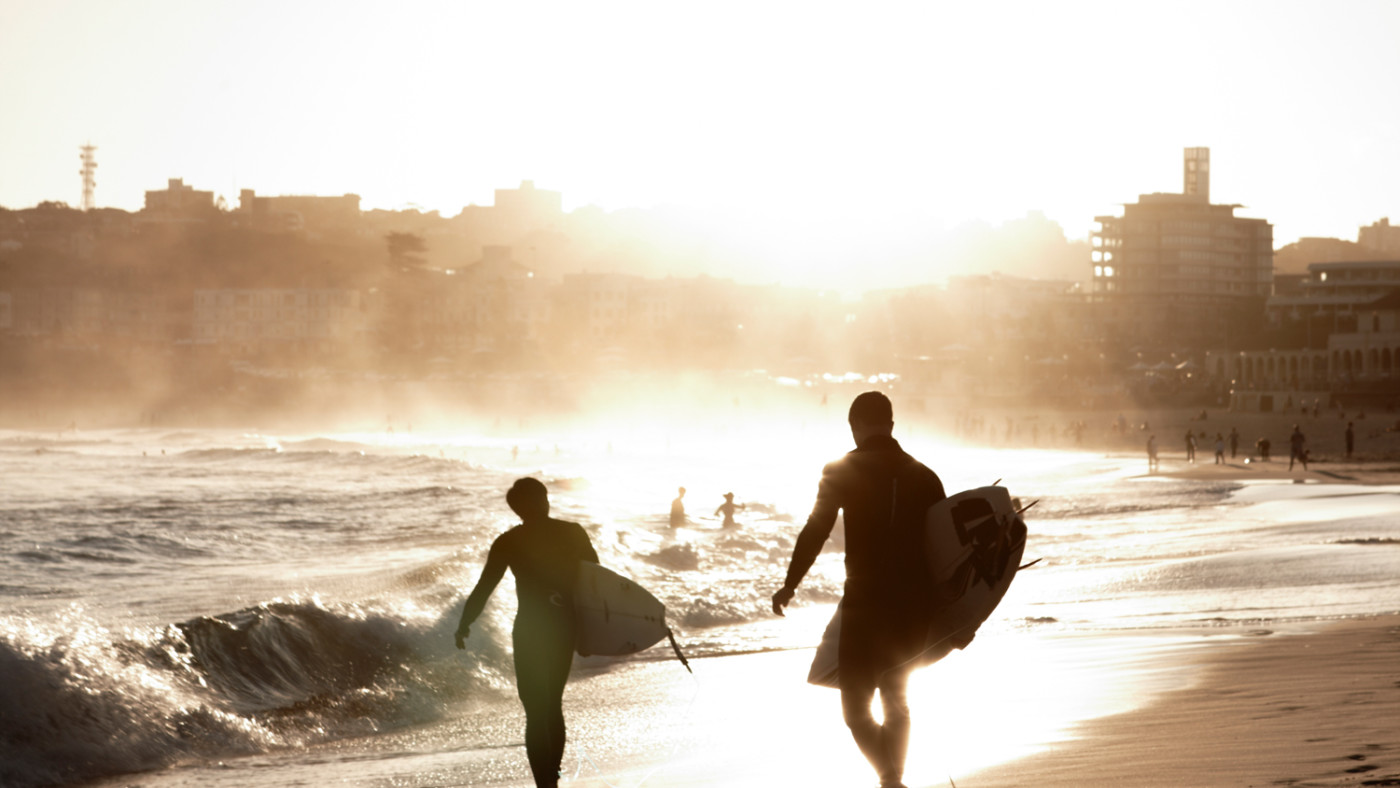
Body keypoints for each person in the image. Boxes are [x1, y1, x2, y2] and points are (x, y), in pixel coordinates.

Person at [772, 391, 946, 788]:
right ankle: (892, 780)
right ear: (891, 425)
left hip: (865, 604)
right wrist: (956, 616)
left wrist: (790, 585)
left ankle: (889, 778)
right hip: (914, 605)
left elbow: (816, 529)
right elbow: (946, 548)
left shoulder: (842, 469)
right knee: (896, 699)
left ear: (855, 426)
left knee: (855, 708)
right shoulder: (926, 476)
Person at [455, 478, 600, 788]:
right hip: (563, 625)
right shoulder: (572, 532)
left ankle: (545, 784)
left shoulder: (508, 541)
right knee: (552, 705)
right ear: (544, 500)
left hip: (531, 628)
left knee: (536, 710)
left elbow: (485, 587)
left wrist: (465, 622)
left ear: (517, 509)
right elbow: (596, 582)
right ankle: (552, 781)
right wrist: (591, 630)